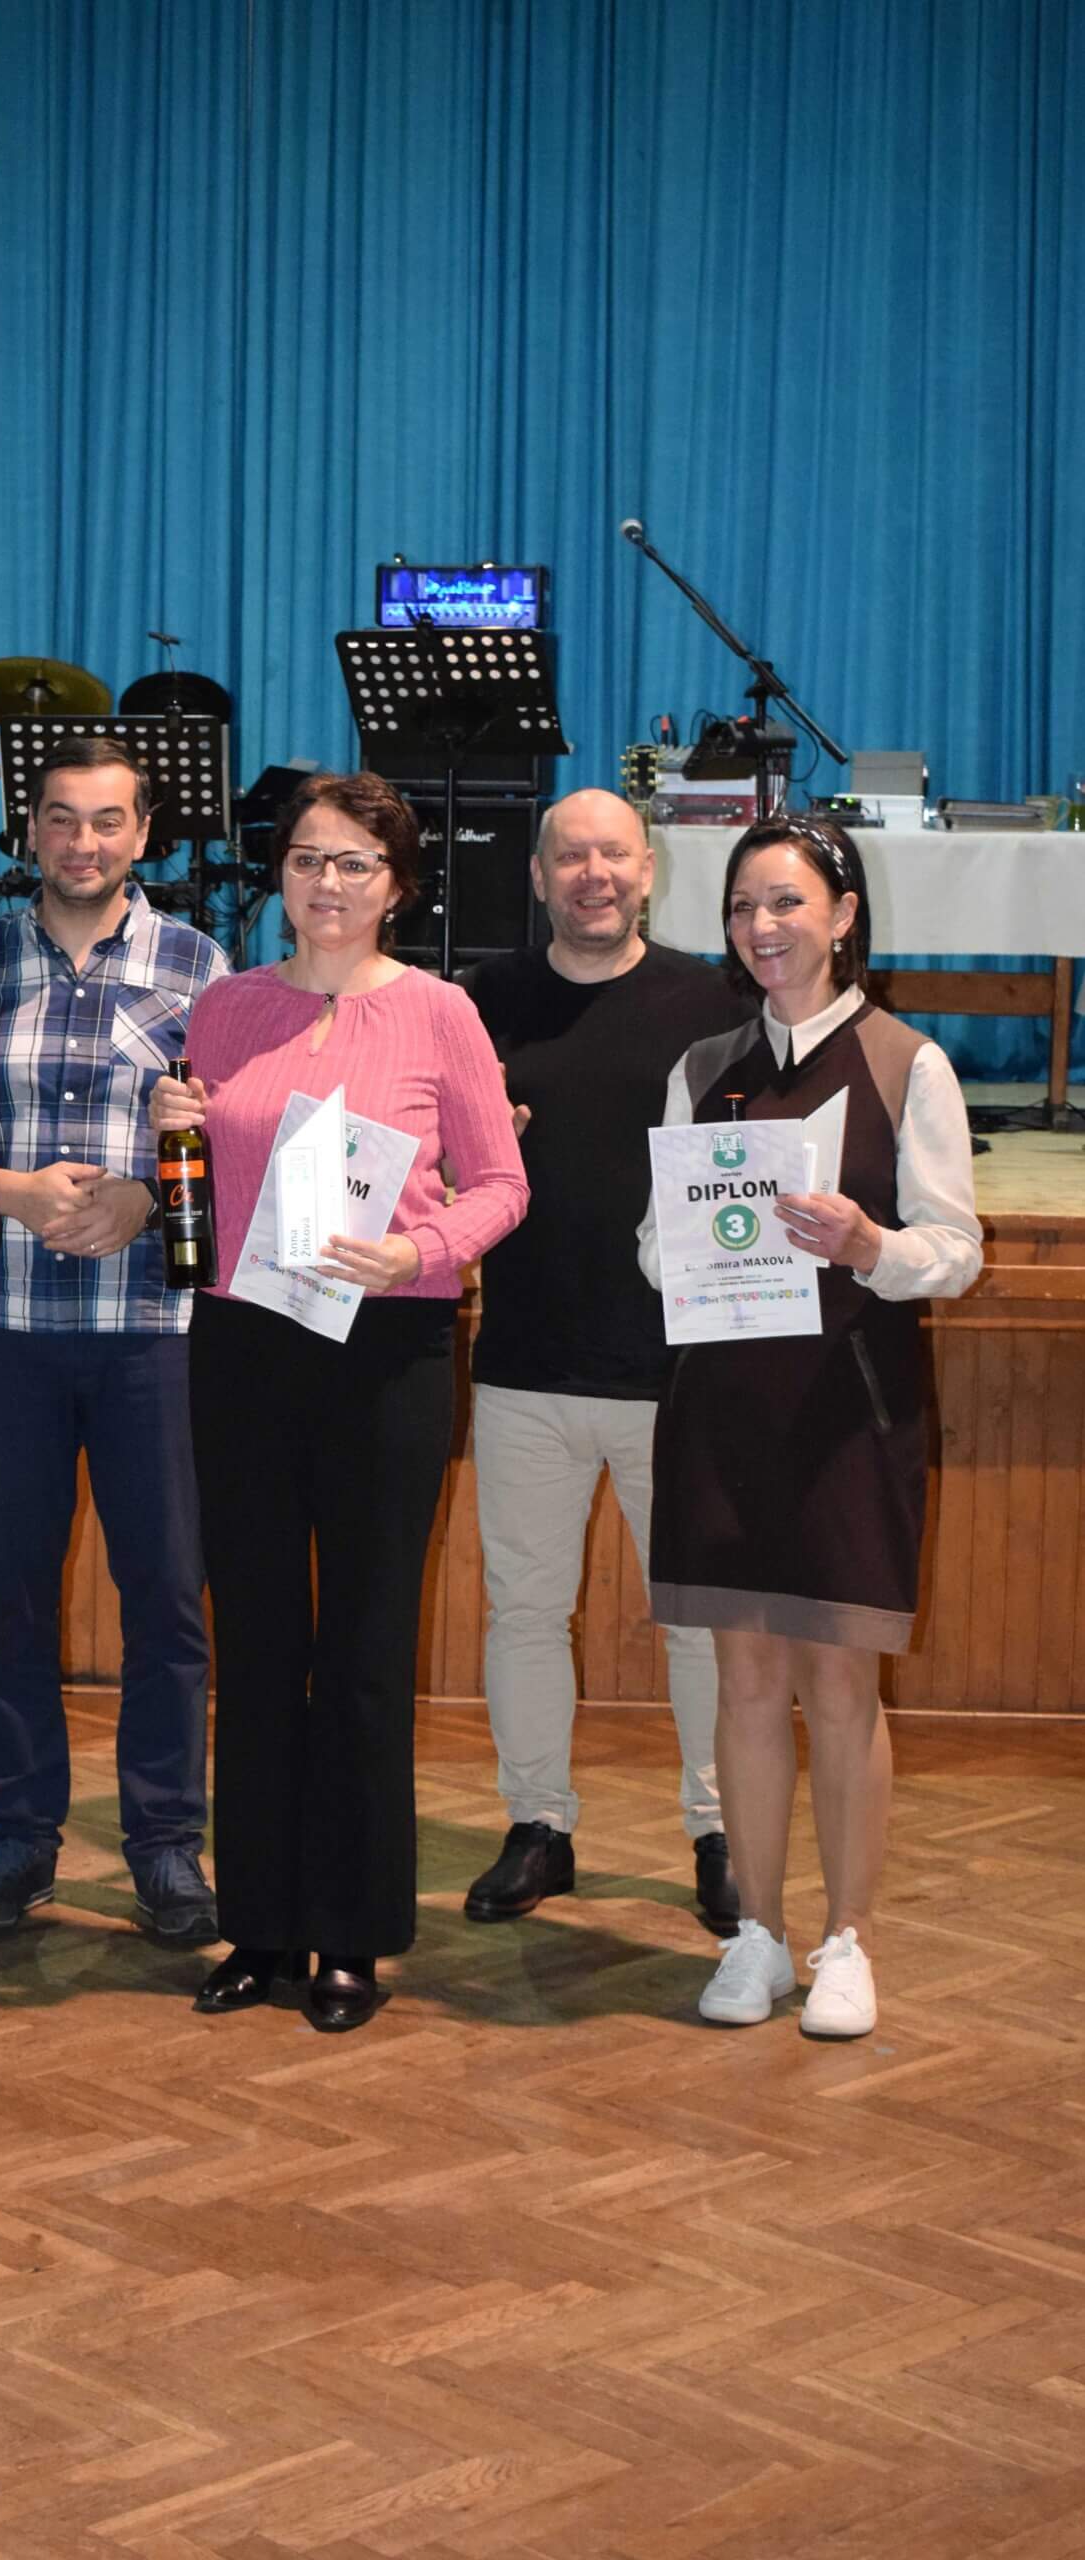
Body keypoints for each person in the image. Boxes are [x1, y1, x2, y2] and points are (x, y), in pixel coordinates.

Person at [152, 771, 529, 2033]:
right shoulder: (225, 1008)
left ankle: (353, 1934)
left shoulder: (440, 1013)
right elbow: (197, 1177)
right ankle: (260, 1923)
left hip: (387, 1350)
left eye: (355, 863)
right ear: (281, 874)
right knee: (257, 1641)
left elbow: (502, 1184)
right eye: (307, 857)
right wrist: (171, 1126)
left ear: (398, 887)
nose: (326, 882)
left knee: (364, 1649)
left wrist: (419, 1251)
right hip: (244, 1345)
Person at [639, 814, 982, 2037]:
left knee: (840, 1680)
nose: (763, 926)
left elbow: (955, 1250)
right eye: (743, 907)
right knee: (742, 1681)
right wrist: (681, 1245)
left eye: (787, 902)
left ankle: (848, 1937)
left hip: (849, 1411)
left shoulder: (907, 1063)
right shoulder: (703, 1067)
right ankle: (759, 1934)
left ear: (842, 916)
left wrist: (870, 1242)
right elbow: (655, 1243)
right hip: (723, 1411)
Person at [0, 737, 228, 1947]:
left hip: (156, 1331)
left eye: (107, 821)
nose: (82, 842)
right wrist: (14, 1192)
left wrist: (148, 1195)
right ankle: (19, 1838)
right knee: (10, 1600)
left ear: (143, 833)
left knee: (167, 1599)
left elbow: (238, 1141)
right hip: (5, 1329)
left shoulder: (201, 967)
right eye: (60, 818)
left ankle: (165, 1844)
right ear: (29, 828)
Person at [461, 788, 753, 1935]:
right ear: (538, 877)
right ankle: (538, 1824)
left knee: (699, 1623)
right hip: (524, 1362)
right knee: (525, 1612)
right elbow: (432, 1162)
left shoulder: (713, 1000)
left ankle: (723, 1831)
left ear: (648, 870)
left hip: (676, 1372)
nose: (594, 873)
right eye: (571, 856)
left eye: (614, 855)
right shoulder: (481, 1001)